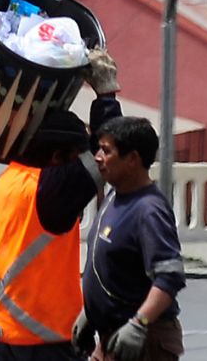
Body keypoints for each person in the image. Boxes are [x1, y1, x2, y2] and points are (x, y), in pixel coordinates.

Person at [0, 48, 121, 361]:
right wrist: (106, 95)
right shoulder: (49, 191)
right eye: (74, 156)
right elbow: (107, 157)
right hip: (45, 341)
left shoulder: (10, 180)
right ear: (58, 156)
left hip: (4, 335)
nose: (78, 163)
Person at [74, 117, 186, 361]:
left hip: (142, 341)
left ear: (133, 159)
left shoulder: (149, 210)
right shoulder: (114, 196)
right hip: (109, 338)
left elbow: (169, 276)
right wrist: (90, 313)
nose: (97, 157)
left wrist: (139, 323)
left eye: (106, 150)